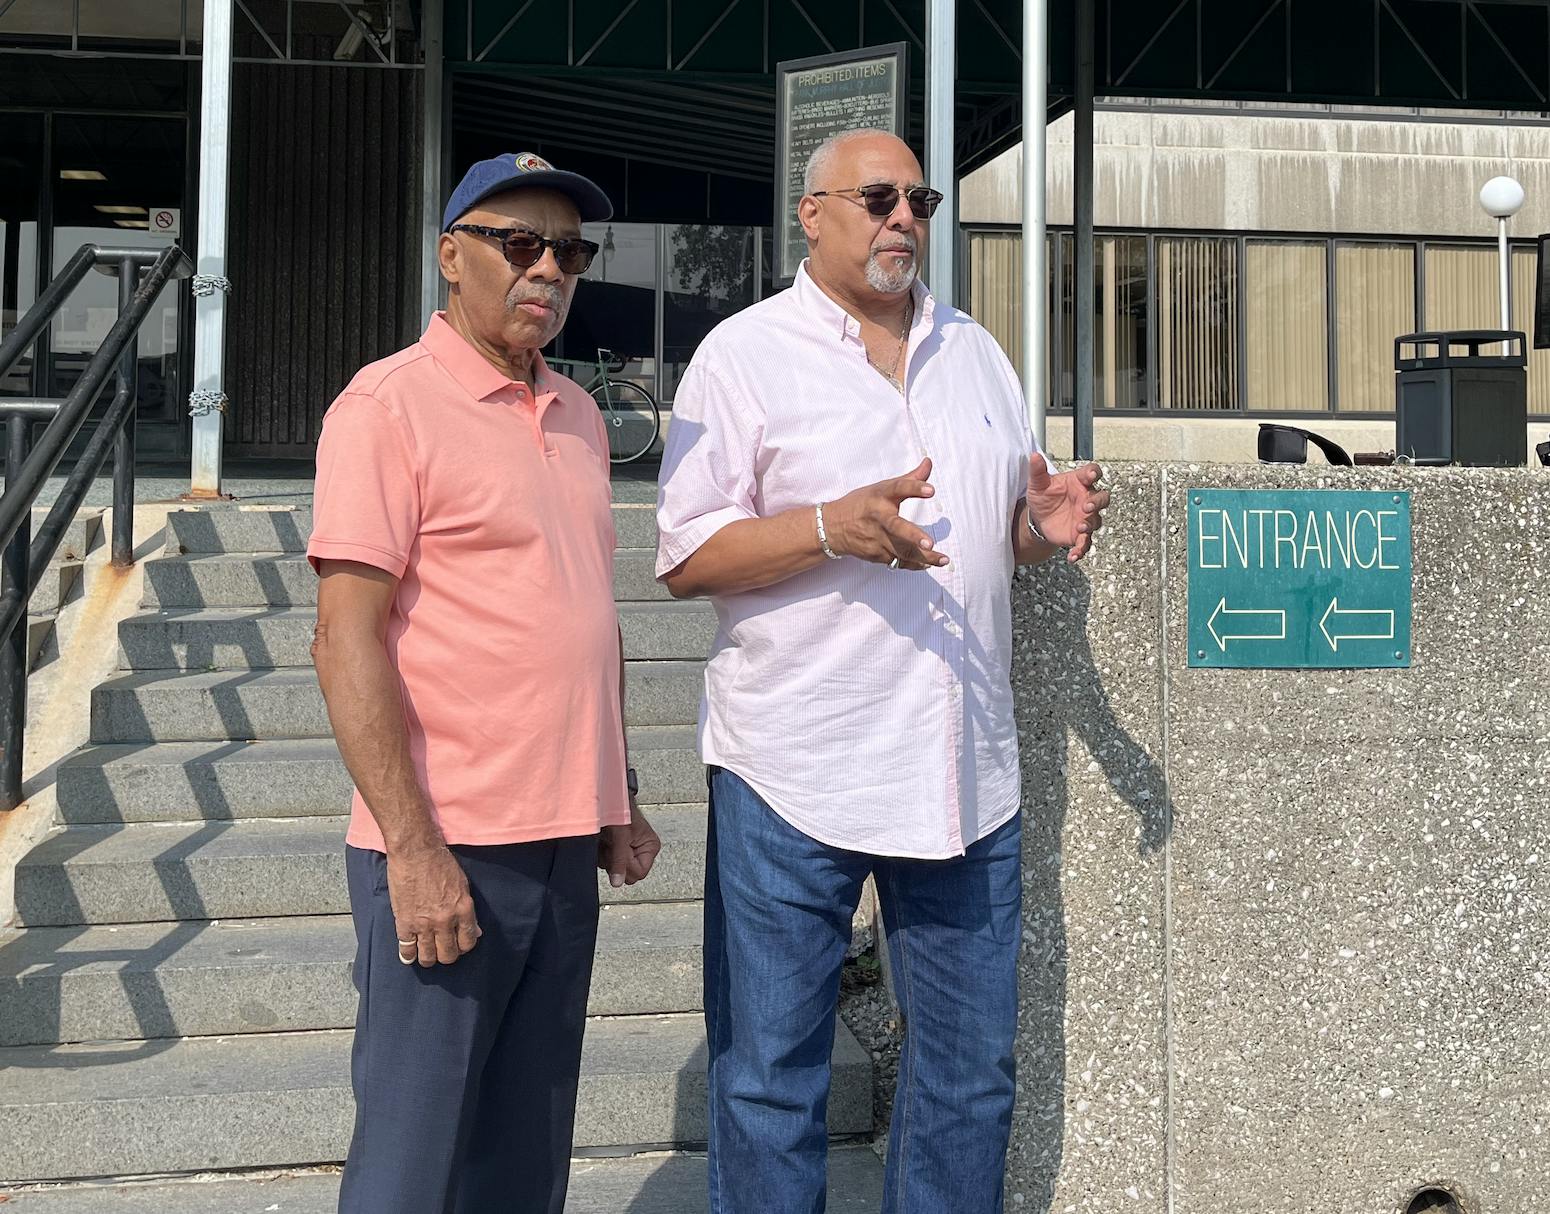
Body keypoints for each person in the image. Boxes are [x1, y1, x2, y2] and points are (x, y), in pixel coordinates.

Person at [655, 128, 1109, 1213]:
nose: (902, 217)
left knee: (967, 1080)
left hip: (962, 776)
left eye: (919, 199)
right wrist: (826, 527)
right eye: (875, 197)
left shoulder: (978, 352)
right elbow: (683, 551)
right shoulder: (741, 353)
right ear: (810, 215)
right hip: (790, 770)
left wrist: (1034, 531)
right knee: (769, 1082)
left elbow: (981, 531)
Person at [308, 152, 661, 1214]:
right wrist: (413, 849)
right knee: (412, 1166)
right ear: (451, 254)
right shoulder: (386, 408)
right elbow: (344, 640)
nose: (548, 267)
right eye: (522, 243)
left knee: (522, 1156)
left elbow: (570, 617)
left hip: (559, 846)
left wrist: (616, 792)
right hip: (445, 841)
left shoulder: (577, 415)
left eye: (570, 249)